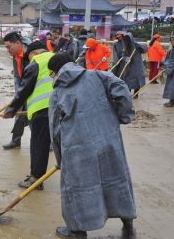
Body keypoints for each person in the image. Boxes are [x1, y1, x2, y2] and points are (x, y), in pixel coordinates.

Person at [48, 53, 137, 239]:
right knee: (118, 178)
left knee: (76, 188)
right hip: (108, 139)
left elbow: (55, 129)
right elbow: (121, 89)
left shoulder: (57, 93)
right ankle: (128, 226)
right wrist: (123, 116)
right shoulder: (97, 75)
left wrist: (60, 160)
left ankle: (77, 230)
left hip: (76, 148)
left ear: (55, 72)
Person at [3, 40, 54, 190]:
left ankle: (35, 179)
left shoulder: (36, 62)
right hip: (62, 108)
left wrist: (11, 110)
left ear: (34, 52)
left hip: (42, 110)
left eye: (30, 56)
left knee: (39, 145)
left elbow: (24, 89)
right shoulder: (58, 58)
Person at [2, 32, 31, 149]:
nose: (8, 50)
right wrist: (18, 92)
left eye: (9, 47)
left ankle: (47, 143)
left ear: (18, 43)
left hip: (34, 90)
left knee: (35, 117)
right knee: (19, 115)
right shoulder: (15, 56)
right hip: (23, 89)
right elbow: (17, 76)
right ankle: (16, 140)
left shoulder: (30, 53)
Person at [117, 32, 146, 97]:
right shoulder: (125, 46)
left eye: (127, 39)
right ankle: (128, 94)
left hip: (137, 65)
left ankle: (136, 94)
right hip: (129, 66)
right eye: (125, 39)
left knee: (137, 80)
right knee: (128, 80)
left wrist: (140, 46)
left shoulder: (136, 45)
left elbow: (145, 50)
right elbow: (123, 55)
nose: (126, 41)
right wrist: (126, 58)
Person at [163, 35, 174, 106]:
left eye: (173, 40)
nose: (171, 42)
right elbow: (168, 59)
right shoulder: (173, 49)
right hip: (173, 69)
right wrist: (166, 64)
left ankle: (172, 101)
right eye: (171, 41)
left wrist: (169, 68)